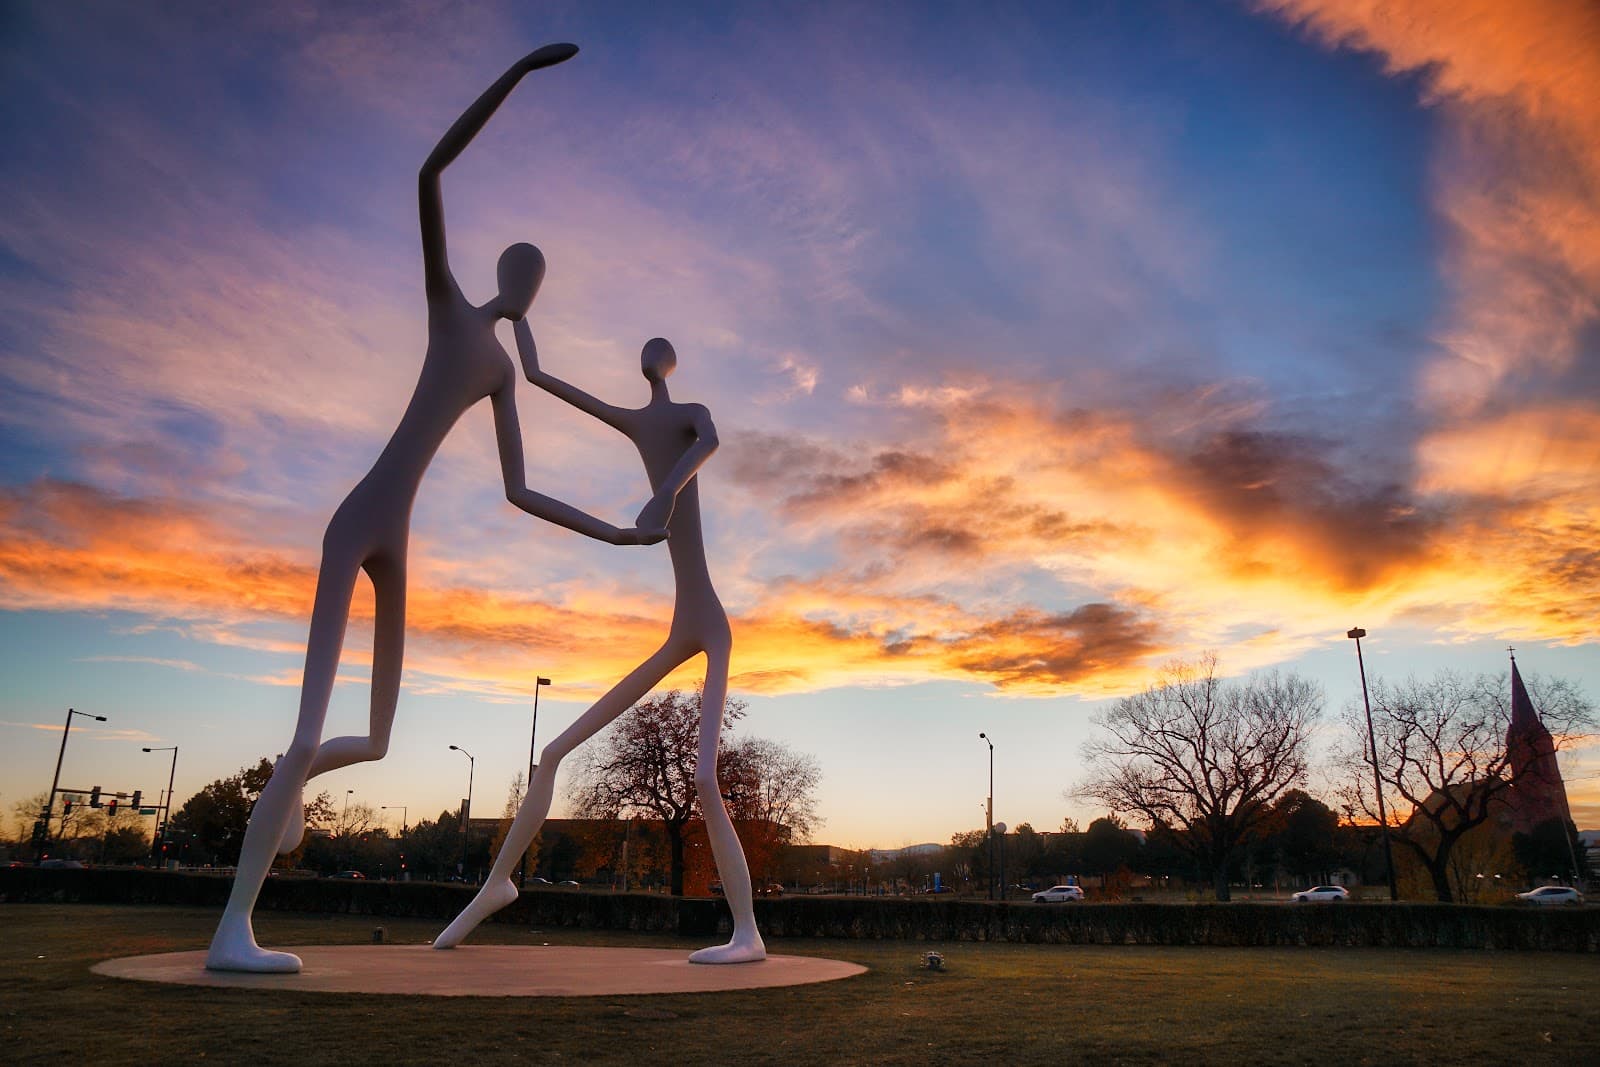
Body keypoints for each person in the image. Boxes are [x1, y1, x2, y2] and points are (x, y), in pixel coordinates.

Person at [206, 44, 663, 973]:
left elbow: (518, 489)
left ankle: (286, 787)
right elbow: (429, 174)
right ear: (502, 274)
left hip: (399, 537)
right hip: (357, 518)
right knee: (308, 728)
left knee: (375, 738)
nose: (529, 289)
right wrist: (519, 74)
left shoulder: (501, 370)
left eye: (539, 283)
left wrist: (620, 532)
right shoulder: (447, 304)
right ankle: (232, 929)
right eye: (523, 274)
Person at [433, 326, 765, 964]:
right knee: (552, 752)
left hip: (712, 623)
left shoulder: (692, 415)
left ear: (671, 364)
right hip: (681, 626)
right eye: (642, 349)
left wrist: (665, 492)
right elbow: (540, 378)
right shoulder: (634, 422)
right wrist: (518, 322)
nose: (648, 355)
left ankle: (747, 933)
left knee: (703, 776)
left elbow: (711, 442)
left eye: (658, 350)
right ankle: (498, 884)